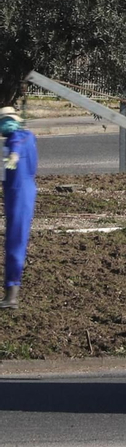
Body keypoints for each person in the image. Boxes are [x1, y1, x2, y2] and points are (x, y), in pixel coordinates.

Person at [1, 106, 38, 310]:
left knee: (15, 241)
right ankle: (10, 292)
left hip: (18, 193)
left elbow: (13, 154)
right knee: (16, 239)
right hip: (26, 189)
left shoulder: (14, 138)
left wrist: (11, 160)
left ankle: (11, 294)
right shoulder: (29, 136)